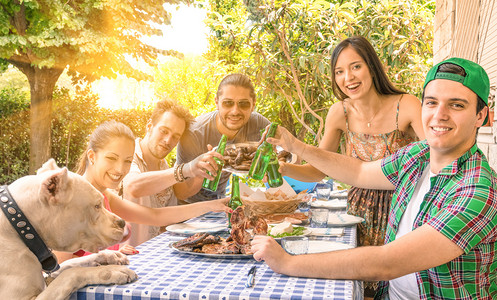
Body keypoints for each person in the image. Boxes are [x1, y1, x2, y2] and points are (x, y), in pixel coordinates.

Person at [251, 58, 496, 300]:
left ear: (480, 116)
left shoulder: (478, 190)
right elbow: (359, 171)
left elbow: (387, 263)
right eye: (431, 103)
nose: (439, 115)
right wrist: (296, 146)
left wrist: (287, 262)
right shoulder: (418, 156)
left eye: (456, 105)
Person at [281, 36, 425, 249]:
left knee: (398, 278)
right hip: (358, 215)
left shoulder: (406, 105)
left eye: (356, 67)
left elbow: (435, 155)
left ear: (372, 67)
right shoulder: (340, 113)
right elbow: (319, 171)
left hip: (403, 210)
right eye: (339, 72)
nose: (348, 77)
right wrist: (283, 168)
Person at [55, 120, 229, 262]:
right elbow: (56, 271)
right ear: (92, 156)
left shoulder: (104, 196)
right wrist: (104, 258)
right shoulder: (71, 200)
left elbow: (155, 216)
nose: (119, 169)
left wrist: (213, 205)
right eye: (111, 158)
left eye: (127, 161)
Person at [121, 99, 225, 246]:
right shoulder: (127, 156)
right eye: (164, 131)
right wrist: (187, 169)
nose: (168, 140)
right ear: (150, 126)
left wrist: (202, 171)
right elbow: (133, 187)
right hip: (127, 257)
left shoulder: (163, 166)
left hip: (157, 254)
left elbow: (179, 198)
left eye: (176, 136)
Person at [176, 73, 270, 203]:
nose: (235, 111)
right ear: (216, 102)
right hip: (186, 208)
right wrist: (201, 171)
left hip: (219, 203)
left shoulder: (258, 124)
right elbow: (180, 193)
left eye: (243, 104)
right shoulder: (194, 133)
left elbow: (292, 157)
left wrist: (271, 165)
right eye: (227, 103)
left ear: (253, 105)